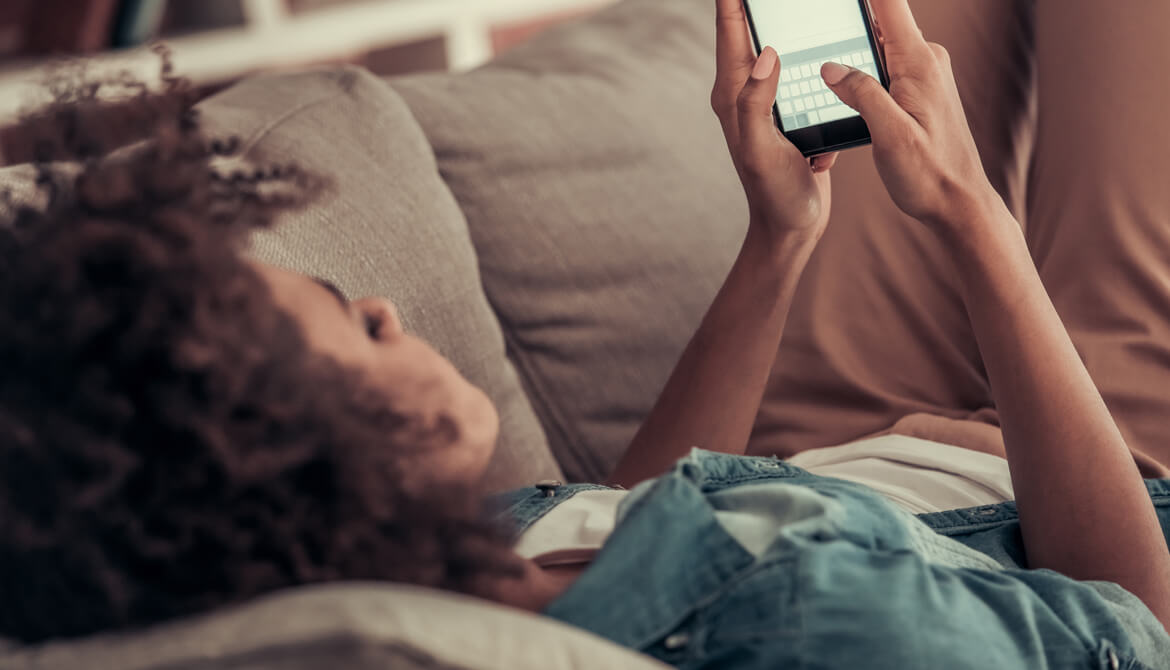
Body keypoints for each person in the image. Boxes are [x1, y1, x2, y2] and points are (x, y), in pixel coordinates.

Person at [0, 0, 1168, 667]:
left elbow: (640, 507)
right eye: (352, 327)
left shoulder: (446, 559)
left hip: (825, 433)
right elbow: (1135, 627)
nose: (386, 307)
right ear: (281, 463)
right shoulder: (810, 620)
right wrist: (972, 216)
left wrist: (778, 238)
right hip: (1101, 466)